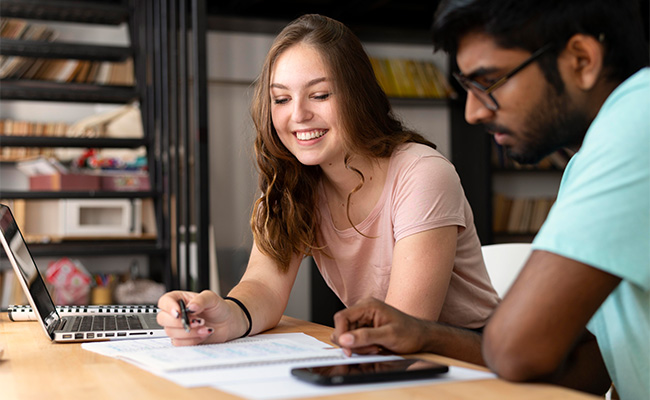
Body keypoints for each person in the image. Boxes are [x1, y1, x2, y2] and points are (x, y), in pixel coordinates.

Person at [330, 0, 649, 398]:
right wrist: (425, 335)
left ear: (582, 59)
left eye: (489, 82)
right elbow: (589, 367)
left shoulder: (640, 118)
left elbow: (518, 349)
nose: (473, 112)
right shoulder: (588, 159)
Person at [156, 13, 499, 363]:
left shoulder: (422, 174)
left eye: (319, 95)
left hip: (470, 362)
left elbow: (406, 325)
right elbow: (264, 287)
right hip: (388, 361)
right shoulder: (290, 180)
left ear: (358, 95)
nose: (299, 115)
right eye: (281, 99)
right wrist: (223, 317)